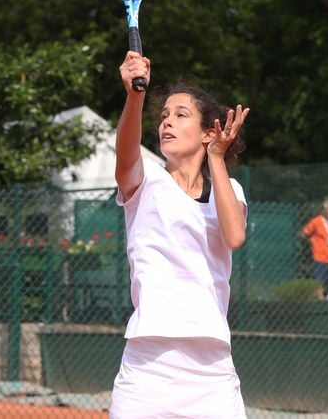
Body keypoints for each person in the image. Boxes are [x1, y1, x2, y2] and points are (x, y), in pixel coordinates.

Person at [110, 51, 251, 419]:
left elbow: (234, 236)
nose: (167, 123)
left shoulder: (229, 189)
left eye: (180, 115)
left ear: (209, 131)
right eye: (164, 117)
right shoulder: (146, 181)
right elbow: (125, 157)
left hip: (213, 372)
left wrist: (217, 158)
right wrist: (134, 95)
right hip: (149, 368)